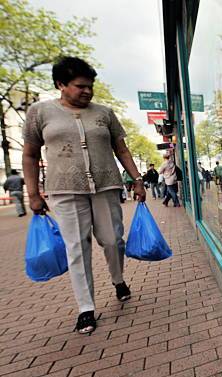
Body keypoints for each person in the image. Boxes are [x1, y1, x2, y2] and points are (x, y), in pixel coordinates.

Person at [21, 56, 145, 334]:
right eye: (80, 86)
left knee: (113, 240)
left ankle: (118, 279)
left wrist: (137, 180)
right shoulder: (40, 113)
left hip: (105, 185)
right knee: (77, 247)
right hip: (64, 190)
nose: (87, 91)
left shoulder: (104, 113)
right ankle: (86, 308)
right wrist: (33, 194)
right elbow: (29, 155)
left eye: (90, 86)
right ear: (60, 84)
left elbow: (121, 149)